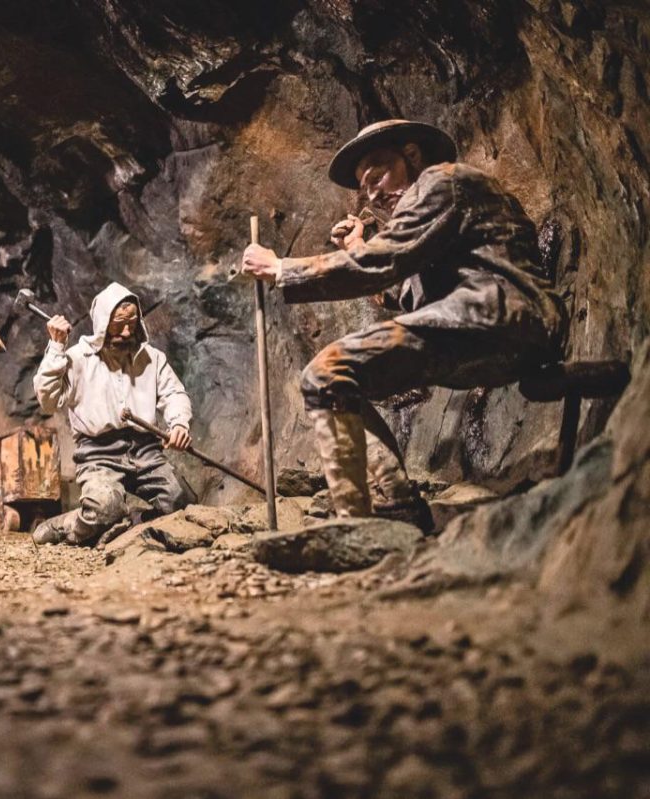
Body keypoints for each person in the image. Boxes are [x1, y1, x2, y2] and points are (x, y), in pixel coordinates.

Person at [235, 119, 567, 530]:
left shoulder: (443, 181)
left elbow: (383, 262)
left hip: (500, 314)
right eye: (365, 186)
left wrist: (281, 267)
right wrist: (358, 246)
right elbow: (403, 290)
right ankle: (397, 510)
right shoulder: (433, 215)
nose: (372, 192)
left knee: (326, 373)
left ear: (411, 155)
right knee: (334, 380)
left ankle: (360, 528)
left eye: (378, 174)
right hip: (488, 328)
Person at [31, 282, 194, 546]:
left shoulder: (152, 358)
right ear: (103, 322)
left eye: (131, 322)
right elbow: (48, 401)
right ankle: (68, 525)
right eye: (118, 324)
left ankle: (131, 522)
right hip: (99, 454)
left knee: (182, 503)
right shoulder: (77, 359)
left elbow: (174, 394)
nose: (126, 331)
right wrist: (56, 348)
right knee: (105, 507)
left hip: (146, 453)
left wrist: (179, 425)